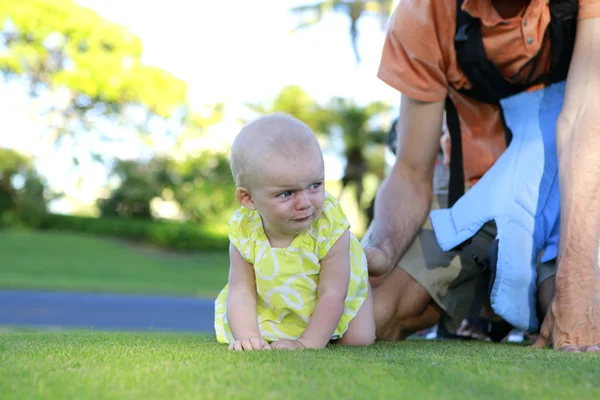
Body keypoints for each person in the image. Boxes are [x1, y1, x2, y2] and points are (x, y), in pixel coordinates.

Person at [364, 0, 600, 352]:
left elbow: (585, 119)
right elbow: (411, 172)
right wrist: (380, 250)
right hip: (474, 193)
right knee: (376, 314)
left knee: (575, 309)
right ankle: (485, 302)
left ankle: (513, 303)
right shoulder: (425, 12)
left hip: (580, 179)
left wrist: (576, 286)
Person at [214, 113, 375, 351]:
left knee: (358, 340)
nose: (305, 203)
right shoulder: (244, 231)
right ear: (248, 198)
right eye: (286, 193)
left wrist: (305, 343)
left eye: (314, 186)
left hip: (337, 288)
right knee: (264, 334)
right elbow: (241, 292)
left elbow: (332, 294)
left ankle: (363, 294)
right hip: (276, 296)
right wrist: (248, 337)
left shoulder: (330, 227)